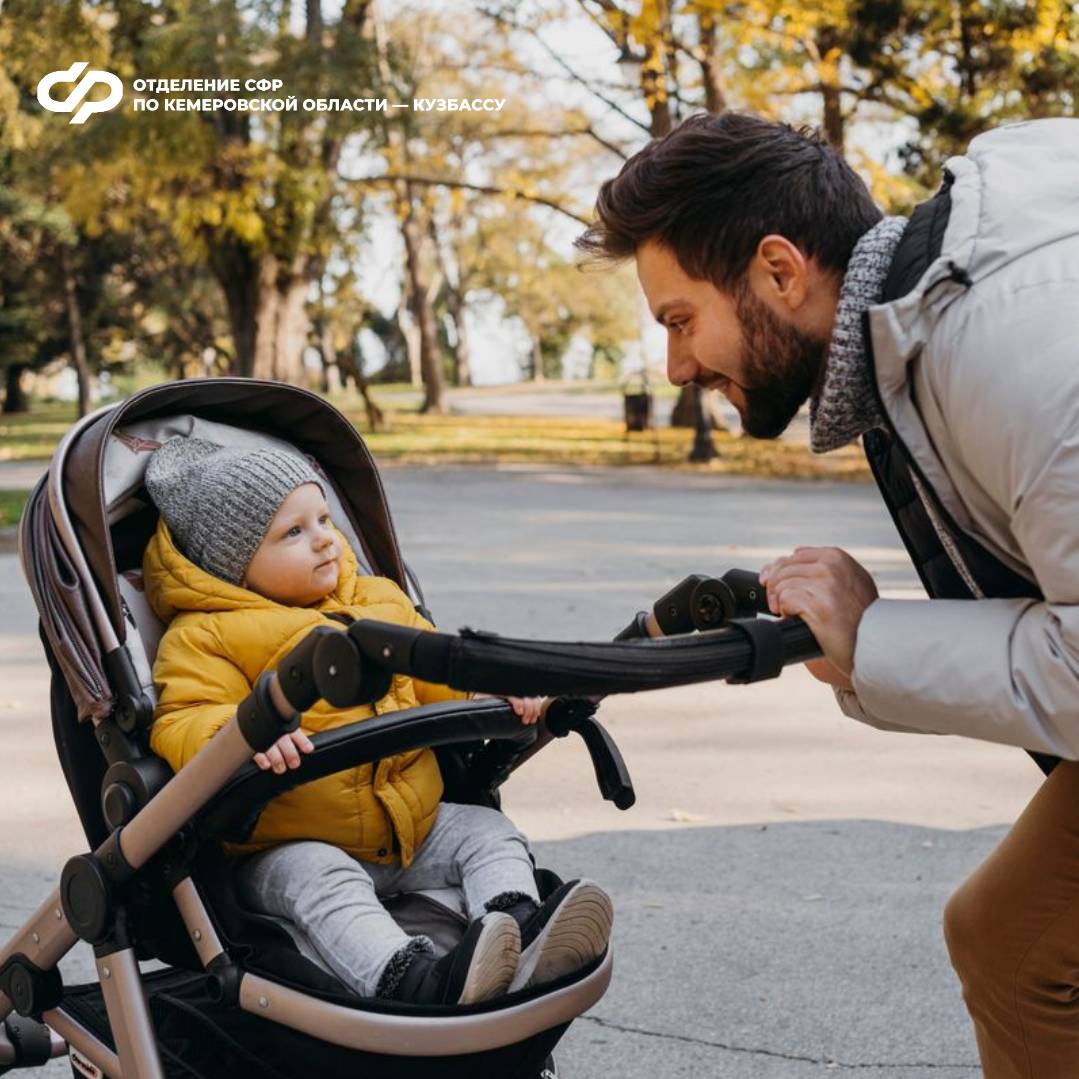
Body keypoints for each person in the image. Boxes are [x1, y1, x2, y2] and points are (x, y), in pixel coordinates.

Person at [576, 111, 1079, 1078]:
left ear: (777, 270)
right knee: (1007, 936)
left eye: (681, 321)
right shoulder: (928, 324)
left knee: (1015, 944)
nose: (677, 367)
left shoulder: (1008, 350)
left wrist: (873, 638)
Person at [140, 436, 613, 1007]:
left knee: (486, 833)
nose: (323, 539)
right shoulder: (206, 635)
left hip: (410, 828)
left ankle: (518, 927)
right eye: (292, 532)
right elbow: (183, 716)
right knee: (325, 883)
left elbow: (435, 666)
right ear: (233, 565)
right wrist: (241, 734)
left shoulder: (379, 599)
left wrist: (489, 684)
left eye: (323, 518)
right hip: (286, 845)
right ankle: (410, 979)